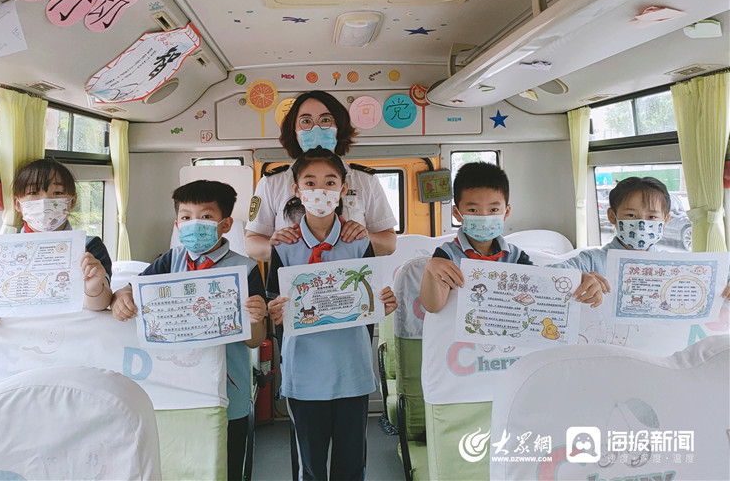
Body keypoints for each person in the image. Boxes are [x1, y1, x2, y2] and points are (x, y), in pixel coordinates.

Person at [110, 180, 266, 481]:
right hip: (180, 385)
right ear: (177, 223)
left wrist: (256, 319)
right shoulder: (169, 260)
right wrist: (122, 295)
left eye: (206, 217)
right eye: (186, 217)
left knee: (228, 464)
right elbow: (136, 289)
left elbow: (255, 341)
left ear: (225, 224)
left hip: (228, 389)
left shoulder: (244, 269)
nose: (195, 224)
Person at [267, 148, 397, 481]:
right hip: (304, 376)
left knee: (351, 466)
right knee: (309, 468)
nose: (320, 191)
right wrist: (274, 315)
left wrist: (384, 303)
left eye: (329, 182)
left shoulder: (358, 241)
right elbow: (273, 306)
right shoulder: (283, 246)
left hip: (350, 371)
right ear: (296, 190)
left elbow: (368, 305)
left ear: (342, 189)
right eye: (310, 183)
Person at [0, 158, 113, 333]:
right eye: (33, 192)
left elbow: (101, 305)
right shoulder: (0, 252)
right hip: (19, 350)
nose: (45, 201)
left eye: (57, 193)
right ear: (18, 204)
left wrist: (93, 287)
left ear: (73, 201)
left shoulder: (90, 247)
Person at [420, 161, 608, 313]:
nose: (484, 217)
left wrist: (576, 279)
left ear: (506, 212)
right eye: (473, 210)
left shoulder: (516, 256)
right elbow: (433, 306)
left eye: (493, 209)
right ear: (457, 213)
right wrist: (431, 269)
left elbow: (540, 284)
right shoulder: (446, 256)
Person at [245, 90, 397, 261]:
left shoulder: (365, 180)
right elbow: (251, 244)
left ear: (339, 127)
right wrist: (277, 247)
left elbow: (389, 243)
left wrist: (363, 237)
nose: (316, 128)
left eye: (325, 120)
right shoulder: (272, 183)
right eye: (306, 121)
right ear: (294, 130)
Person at [555, 176, 730, 299]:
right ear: (612, 216)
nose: (641, 224)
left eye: (652, 217)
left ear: (665, 220)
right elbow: (541, 276)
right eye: (631, 215)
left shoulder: (673, 264)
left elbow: (717, 276)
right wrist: (577, 277)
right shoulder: (591, 261)